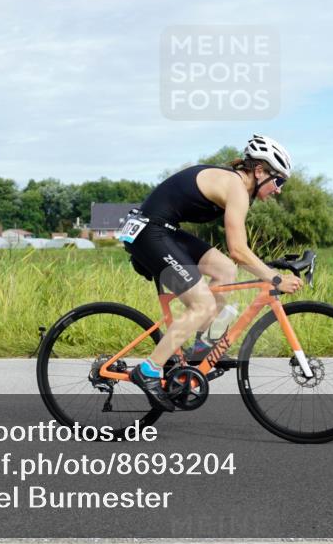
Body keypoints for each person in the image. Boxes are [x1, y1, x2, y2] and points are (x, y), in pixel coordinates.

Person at [121, 134, 303, 411]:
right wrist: (275, 278)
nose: (278, 190)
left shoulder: (236, 186)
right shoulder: (237, 189)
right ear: (259, 171)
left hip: (162, 230)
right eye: (278, 181)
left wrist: (269, 267)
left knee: (225, 270)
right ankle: (148, 370)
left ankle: (201, 348)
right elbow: (239, 250)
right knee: (203, 304)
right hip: (149, 233)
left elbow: (234, 259)